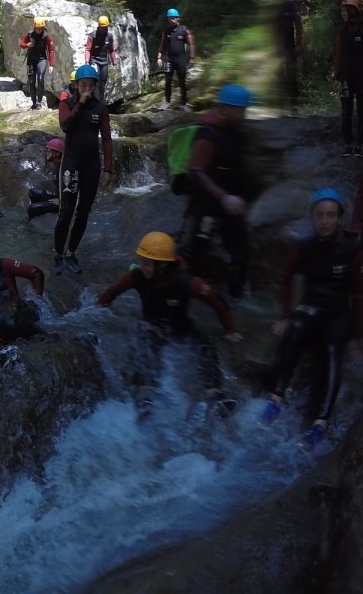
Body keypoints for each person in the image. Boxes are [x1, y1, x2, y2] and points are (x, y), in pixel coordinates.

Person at [258, 189, 363, 451]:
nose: (324, 221)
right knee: (296, 328)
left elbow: (359, 296)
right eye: (319, 215)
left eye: (330, 216)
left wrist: (355, 338)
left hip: (338, 312)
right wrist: (286, 315)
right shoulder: (304, 246)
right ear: (313, 217)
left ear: (339, 219)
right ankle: (276, 400)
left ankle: (320, 424)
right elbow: (285, 279)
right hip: (311, 306)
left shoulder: (352, 248)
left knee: (332, 348)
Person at [97, 231, 242, 416]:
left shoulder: (186, 282)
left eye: (147, 263)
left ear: (162, 265)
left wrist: (230, 330)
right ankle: (145, 394)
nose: (142, 266)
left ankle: (214, 395)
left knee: (206, 349)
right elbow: (111, 292)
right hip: (152, 325)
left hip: (180, 326)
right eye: (142, 261)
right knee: (144, 346)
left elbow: (218, 302)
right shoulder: (136, 276)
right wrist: (97, 309)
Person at [179, 84, 254, 301]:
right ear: (226, 108)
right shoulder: (209, 135)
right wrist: (224, 196)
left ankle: (235, 298)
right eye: (240, 110)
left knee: (240, 253)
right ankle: (182, 296)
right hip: (207, 207)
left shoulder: (233, 131)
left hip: (229, 207)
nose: (243, 114)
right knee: (193, 252)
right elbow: (196, 170)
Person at [53, 64, 113, 274]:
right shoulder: (66, 103)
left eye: (90, 85)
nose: (87, 89)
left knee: (83, 212)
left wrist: (108, 169)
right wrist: (79, 104)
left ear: (95, 86)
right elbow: (65, 126)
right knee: (66, 211)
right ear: (76, 85)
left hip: (91, 166)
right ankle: (58, 253)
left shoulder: (100, 108)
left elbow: (106, 139)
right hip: (71, 164)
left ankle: (71, 252)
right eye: (83, 85)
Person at [334, 0, 363, 157]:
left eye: (344, 10)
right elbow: (338, 54)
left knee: (362, 111)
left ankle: (359, 145)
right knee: (346, 112)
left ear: (352, 11)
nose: (342, 13)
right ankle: (348, 144)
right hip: (346, 76)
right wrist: (336, 74)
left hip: (362, 77)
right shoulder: (342, 31)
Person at [272, 0, 303, 116]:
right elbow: (271, 27)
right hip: (278, 47)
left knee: (291, 75)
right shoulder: (274, 7)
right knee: (279, 76)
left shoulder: (291, 5)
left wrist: (299, 43)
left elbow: (298, 25)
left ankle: (294, 106)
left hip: (290, 45)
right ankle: (281, 106)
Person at [156, 8, 196, 111]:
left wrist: (192, 58)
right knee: (168, 81)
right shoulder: (166, 31)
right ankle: (167, 103)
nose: (172, 20)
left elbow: (191, 44)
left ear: (178, 18)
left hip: (180, 59)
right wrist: (159, 57)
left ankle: (184, 104)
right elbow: (162, 45)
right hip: (169, 59)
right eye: (170, 18)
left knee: (182, 81)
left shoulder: (184, 30)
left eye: (173, 18)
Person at [19, 17, 54, 110]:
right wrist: (27, 45)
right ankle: (34, 102)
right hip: (31, 60)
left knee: (40, 78)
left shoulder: (46, 36)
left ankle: (39, 102)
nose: (39, 30)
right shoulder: (29, 34)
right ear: (34, 27)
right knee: (31, 81)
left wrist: (51, 65)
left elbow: (50, 50)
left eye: (41, 28)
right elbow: (21, 44)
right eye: (37, 28)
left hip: (42, 60)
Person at [28, 138, 64, 220]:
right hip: (58, 196)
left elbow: (73, 190)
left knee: (32, 208)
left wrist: (61, 201)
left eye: (49, 150)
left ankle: (32, 224)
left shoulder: (64, 169)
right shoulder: (56, 165)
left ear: (57, 153)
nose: (47, 152)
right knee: (33, 192)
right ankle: (40, 214)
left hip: (65, 202)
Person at [85, 15, 117, 102]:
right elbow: (88, 49)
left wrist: (114, 63)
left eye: (105, 27)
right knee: (96, 81)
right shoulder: (92, 36)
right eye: (102, 27)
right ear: (98, 26)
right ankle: (94, 101)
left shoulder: (109, 36)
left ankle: (101, 102)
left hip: (104, 62)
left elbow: (112, 50)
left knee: (103, 82)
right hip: (94, 61)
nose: (103, 29)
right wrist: (87, 61)